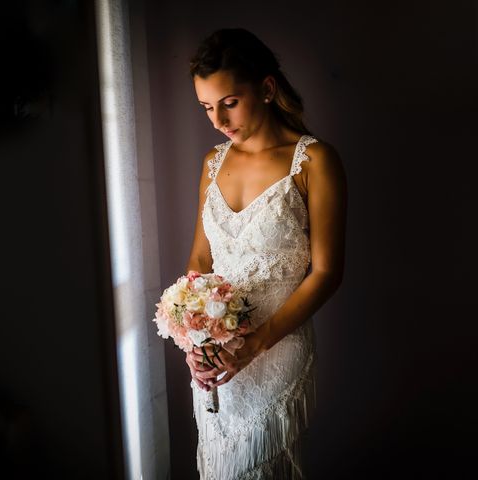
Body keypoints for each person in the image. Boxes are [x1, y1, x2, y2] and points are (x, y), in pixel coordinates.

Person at [184, 28, 347, 479]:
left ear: (267, 88)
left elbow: (327, 272)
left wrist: (255, 342)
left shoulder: (314, 161)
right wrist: (194, 338)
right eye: (206, 107)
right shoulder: (212, 163)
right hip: (218, 353)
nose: (217, 119)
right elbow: (200, 261)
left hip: (278, 346)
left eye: (229, 102)